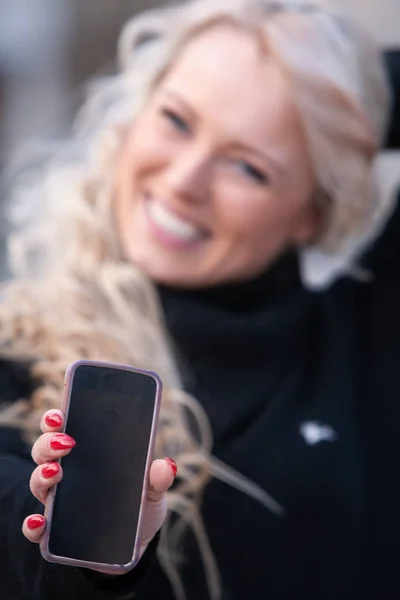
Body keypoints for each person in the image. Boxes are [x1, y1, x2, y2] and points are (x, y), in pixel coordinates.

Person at [0, 0, 399, 598]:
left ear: (312, 215)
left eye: (248, 167)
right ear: (133, 115)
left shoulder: (367, 337)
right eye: (177, 120)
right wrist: (84, 569)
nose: (185, 181)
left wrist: (308, 49)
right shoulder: (18, 342)